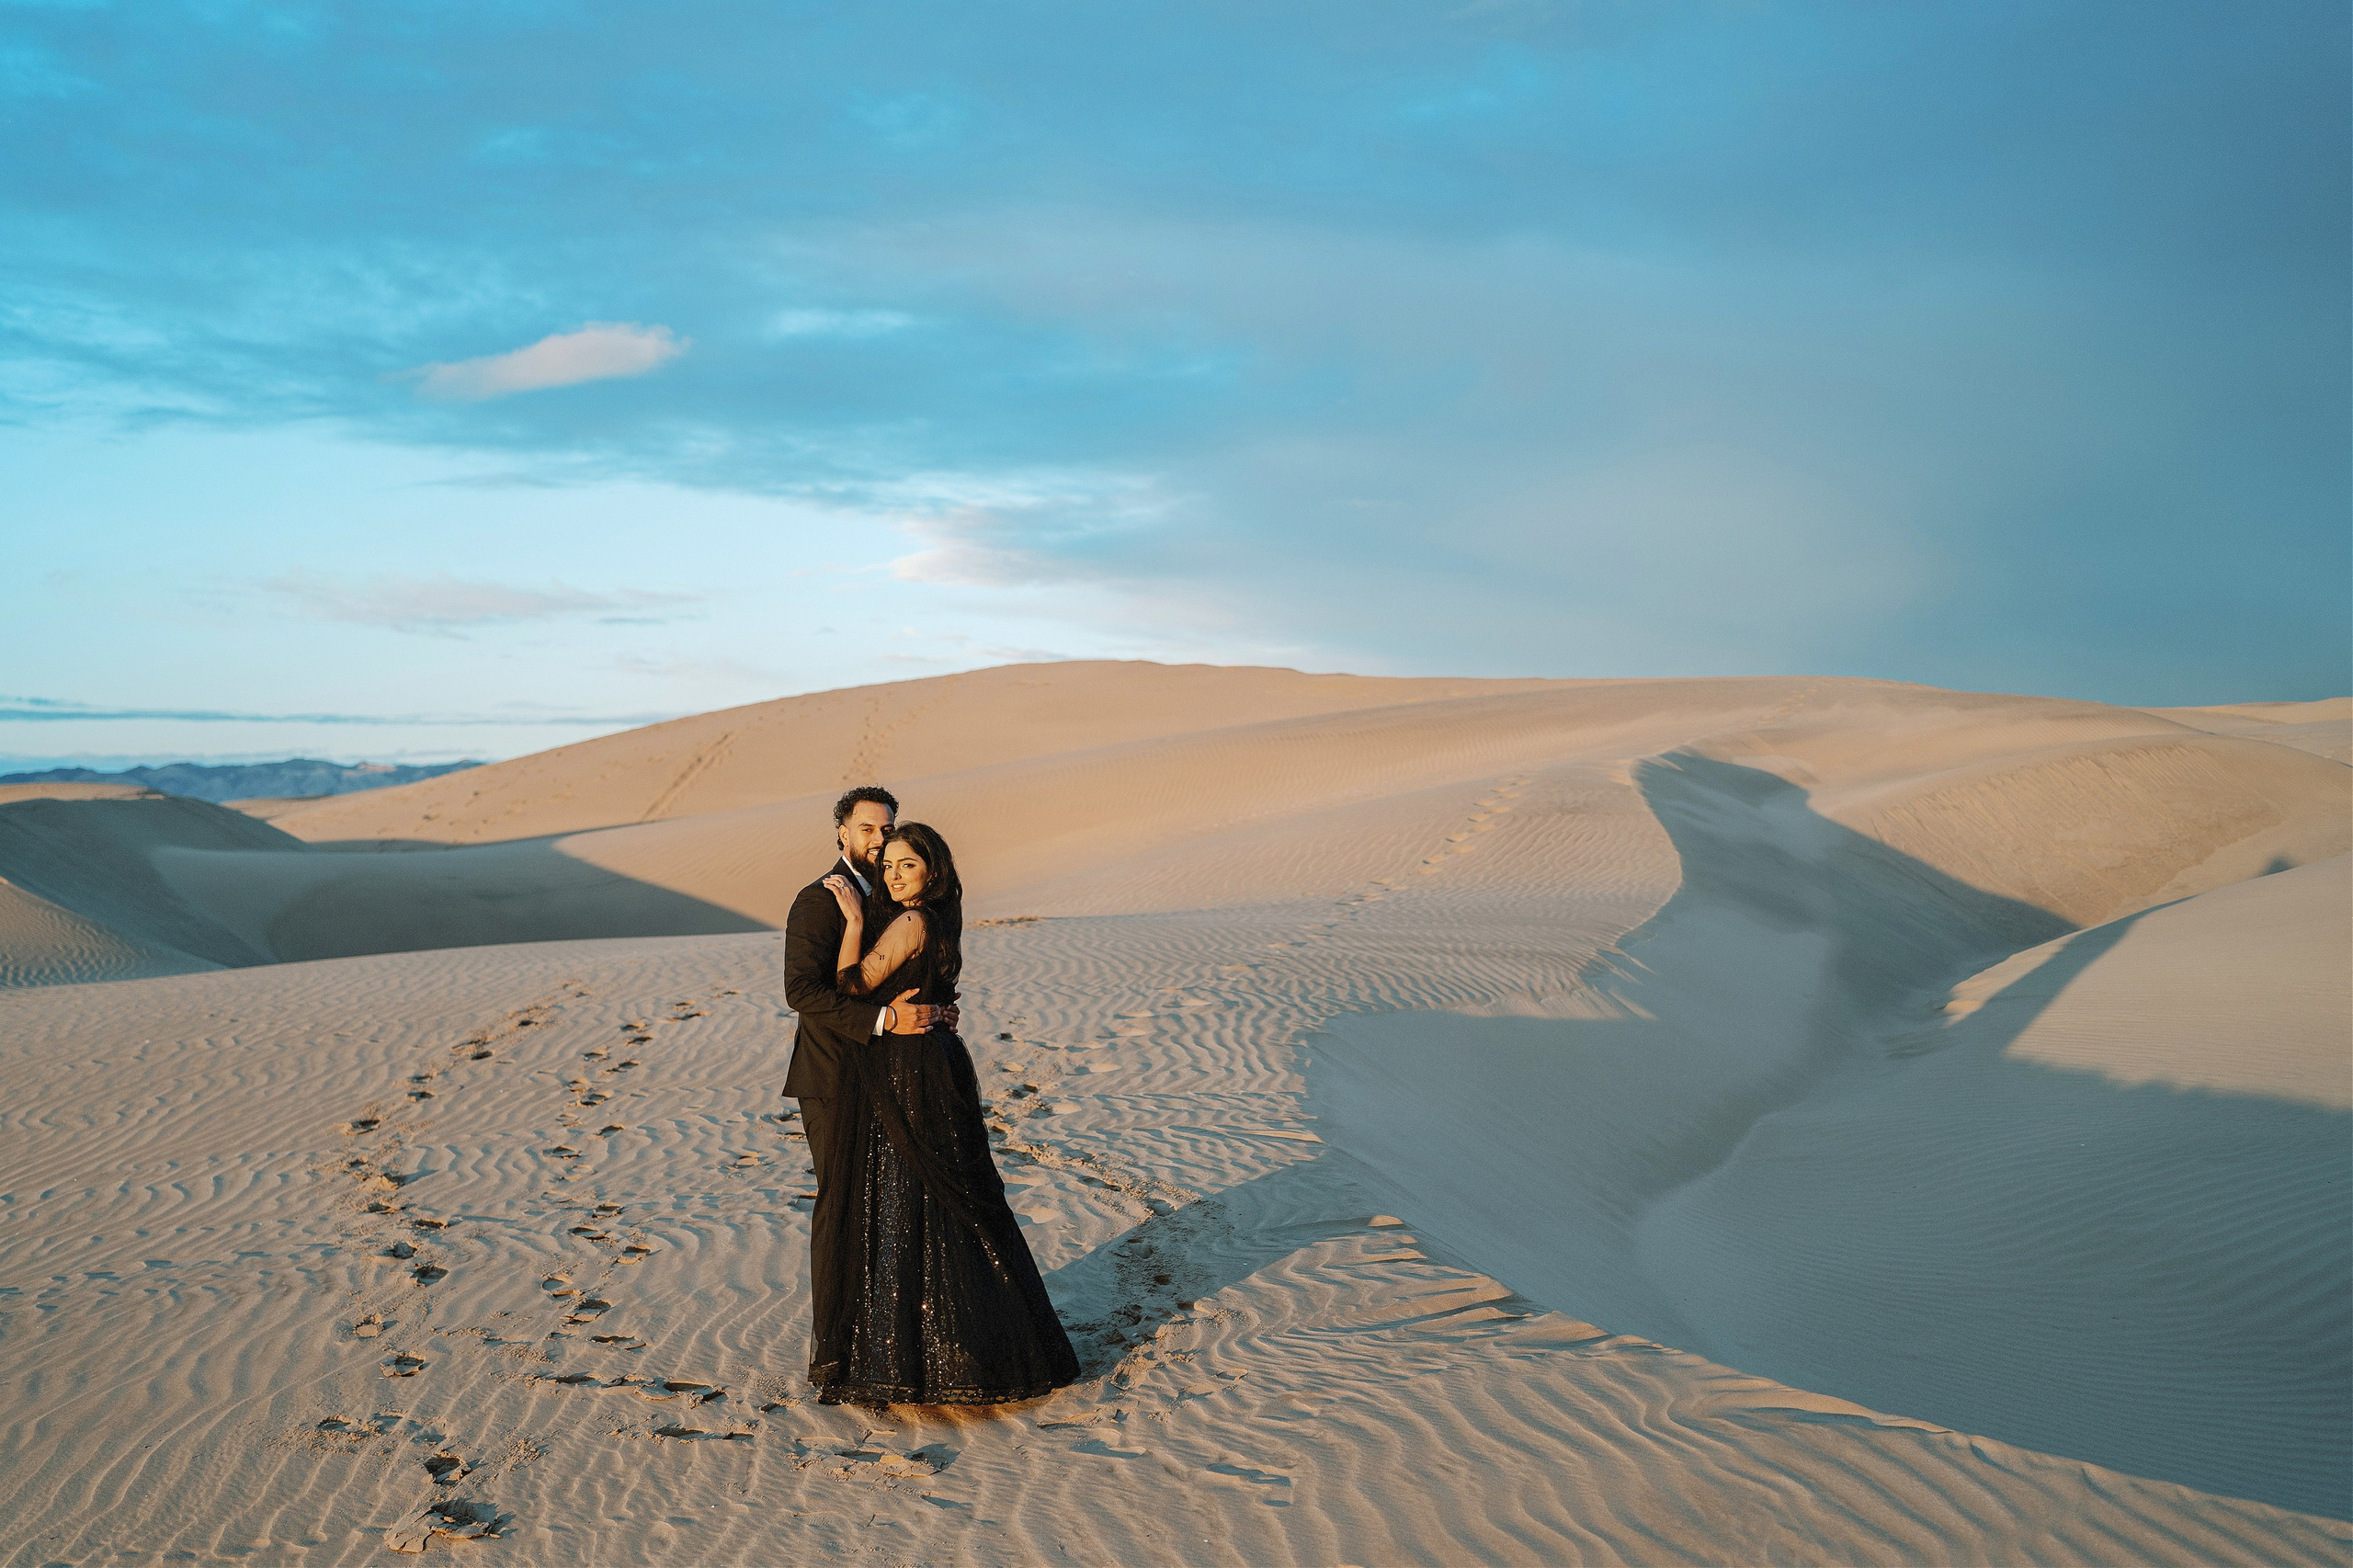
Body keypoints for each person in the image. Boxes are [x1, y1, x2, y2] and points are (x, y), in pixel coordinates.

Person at [806, 821, 1080, 1405]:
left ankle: (925, 1355)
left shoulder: (909, 921)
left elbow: (850, 985)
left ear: (933, 870)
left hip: (907, 1067)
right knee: (941, 1193)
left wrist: (853, 923)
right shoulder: (940, 921)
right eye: (889, 866)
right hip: (931, 1058)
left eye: (908, 864)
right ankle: (971, 1341)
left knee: (910, 1193)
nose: (895, 875)